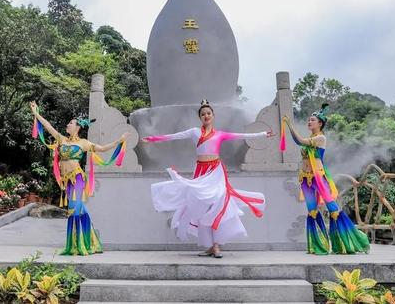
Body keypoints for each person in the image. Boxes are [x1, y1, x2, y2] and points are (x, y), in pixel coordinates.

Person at [143, 99, 273, 258]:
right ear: (200, 117)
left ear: (213, 115)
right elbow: (174, 136)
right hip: (201, 171)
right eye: (203, 114)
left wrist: (262, 134)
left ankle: (217, 245)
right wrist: (152, 139)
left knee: (218, 204)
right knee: (201, 206)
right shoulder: (194, 132)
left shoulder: (220, 134)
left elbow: (241, 135)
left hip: (216, 171)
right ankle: (210, 246)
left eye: (208, 113)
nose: (206, 115)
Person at [30, 101, 128, 256]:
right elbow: (48, 127)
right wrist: (36, 113)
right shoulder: (61, 139)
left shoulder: (84, 143)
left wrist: (119, 141)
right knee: (78, 209)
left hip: (77, 178)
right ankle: (84, 243)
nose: (67, 125)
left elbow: (101, 149)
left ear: (77, 127)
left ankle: (79, 245)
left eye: (71, 123)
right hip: (66, 181)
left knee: (74, 209)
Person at [281, 103, 369, 254]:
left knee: (333, 209)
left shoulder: (321, 138)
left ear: (320, 123)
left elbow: (299, 141)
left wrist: (289, 124)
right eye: (308, 120)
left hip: (319, 177)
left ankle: (344, 244)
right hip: (305, 178)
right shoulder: (312, 138)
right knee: (312, 211)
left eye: (312, 120)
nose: (309, 122)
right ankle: (318, 246)